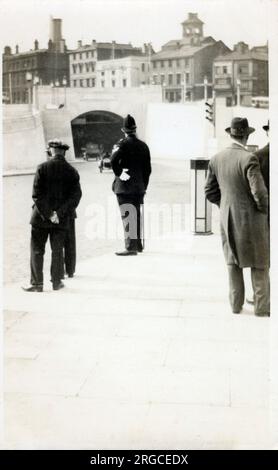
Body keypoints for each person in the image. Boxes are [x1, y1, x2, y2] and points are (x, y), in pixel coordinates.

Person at [205, 117, 270, 316]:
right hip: (252, 220)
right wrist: (263, 210)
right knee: (259, 263)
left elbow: (209, 191)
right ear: (247, 135)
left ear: (230, 134)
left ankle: (235, 305)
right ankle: (261, 307)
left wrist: (224, 205)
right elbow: (259, 192)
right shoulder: (249, 158)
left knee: (233, 262)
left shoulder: (216, 159)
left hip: (227, 218)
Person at [22, 139, 82, 292]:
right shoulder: (72, 171)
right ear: (64, 152)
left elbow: (36, 195)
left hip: (40, 218)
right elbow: (75, 197)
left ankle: (36, 284)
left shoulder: (42, 167)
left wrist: (49, 214)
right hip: (61, 220)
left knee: (37, 250)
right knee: (57, 250)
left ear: (50, 151)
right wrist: (58, 214)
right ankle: (57, 282)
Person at [111, 114, 151, 256]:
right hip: (139, 187)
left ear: (123, 130)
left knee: (128, 216)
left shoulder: (121, 144)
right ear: (135, 129)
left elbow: (113, 161)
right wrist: (144, 186)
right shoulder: (143, 146)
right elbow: (148, 170)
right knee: (137, 216)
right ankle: (138, 245)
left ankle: (130, 247)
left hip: (124, 187)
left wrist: (120, 174)